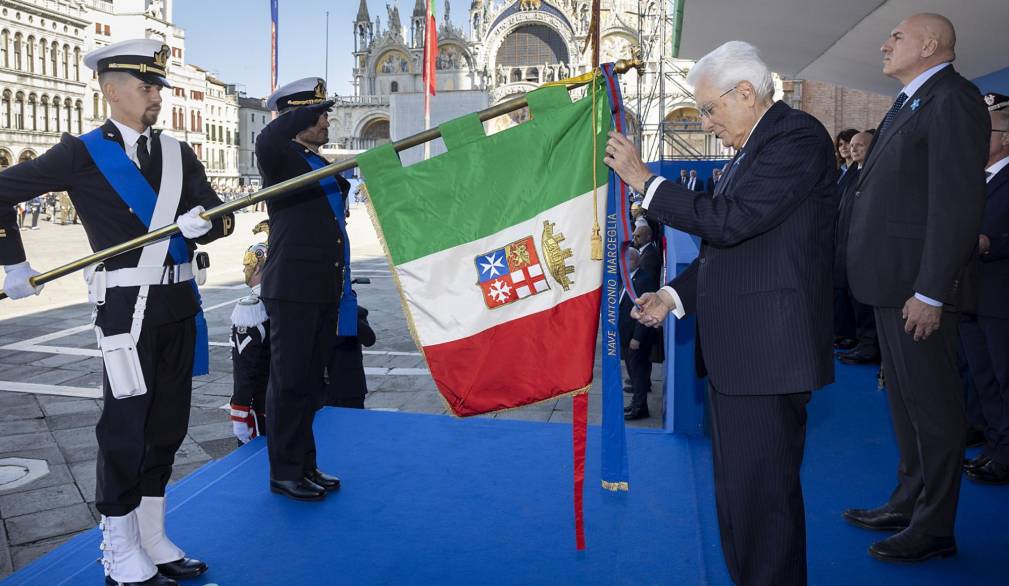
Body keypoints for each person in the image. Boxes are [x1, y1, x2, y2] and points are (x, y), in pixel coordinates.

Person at [0, 39, 233, 586]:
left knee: (169, 426)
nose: (156, 95)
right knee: (126, 427)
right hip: (126, 309)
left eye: (158, 87)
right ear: (111, 90)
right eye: (146, 86)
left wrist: (209, 223)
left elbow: (221, 216)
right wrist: (13, 263)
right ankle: (118, 548)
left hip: (180, 303)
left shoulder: (177, 153)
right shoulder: (81, 153)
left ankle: (152, 536)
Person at [605, 40, 835, 585]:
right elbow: (732, 251)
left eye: (709, 108)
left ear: (747, 93)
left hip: (767, 356)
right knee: (739, 497)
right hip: (743, 355)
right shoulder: (754, 149)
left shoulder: (795, 138)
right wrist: (672, 295)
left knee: (763, 503)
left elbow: (729, 221)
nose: (706, 122)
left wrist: (644, 180)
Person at [842, 13, 989, 563]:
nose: (885, 44)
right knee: (904, 404)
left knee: (933, 408)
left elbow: (954, 205)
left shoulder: (953, 99)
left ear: (930, 45)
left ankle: (935, 526)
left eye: (896, 37)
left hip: (916, 289)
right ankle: (908, 499)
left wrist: (931, 291)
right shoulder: (910, 101)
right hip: (890, 283)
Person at [256, 77, 351, 501]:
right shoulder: (281, 157)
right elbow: (267, 136)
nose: (327, 119)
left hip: (321, 284)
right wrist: (292, 112)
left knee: (311, 382)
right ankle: (285, 470)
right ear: (297, 116)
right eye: (320, 113)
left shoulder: (314, 159)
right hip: (292, 287)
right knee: (289, 381)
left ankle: (305, 463)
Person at [960, 92, 1009, 485]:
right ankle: (994, 445)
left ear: (1005, 137)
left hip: (1000, 295)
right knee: (982, 376)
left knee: (1003, 376)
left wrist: (993, 242)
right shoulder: (973, 179)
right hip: (970, 293)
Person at [835, 131, 880, 365]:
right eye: (852, 145)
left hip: (866, 251)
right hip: (847, 248)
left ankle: (869, 347)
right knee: (853, 299)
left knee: (865, 303)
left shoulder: (876, 175)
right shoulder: (853, 175)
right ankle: (862, 342)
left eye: (860, 145)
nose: (854, 149)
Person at [230, 235, 270, 443]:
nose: (244, 270)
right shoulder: (288, 301)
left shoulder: (252, 308)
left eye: (247, 265)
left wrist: (240, 411)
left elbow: (245, 369)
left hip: (261, 409)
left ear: (257, 268)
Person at [619, 247, 660, 420]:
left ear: (634, 261)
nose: (621, 263)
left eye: (625, 260)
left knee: (639, 371)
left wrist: (637, 337)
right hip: (627, 335)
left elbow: (645, 311)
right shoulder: (628, 278)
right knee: (633, 370)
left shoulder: (644, 280)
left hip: (637, 337)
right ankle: (636, 401)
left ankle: (640, 408)